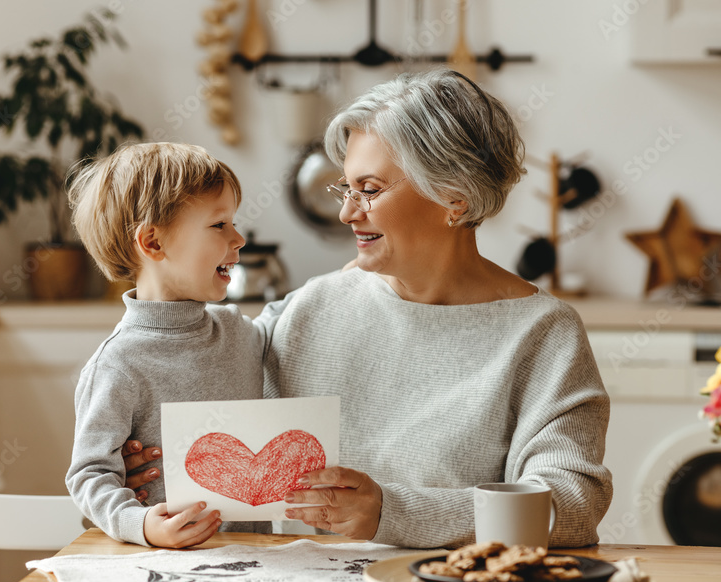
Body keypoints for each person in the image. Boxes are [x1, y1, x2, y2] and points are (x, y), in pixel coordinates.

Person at [125, 69, 612, 549]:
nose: (346, 212)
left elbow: (571, 506)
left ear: (454, 198)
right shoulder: (314, 306)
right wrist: (148, 461)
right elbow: (209, 399)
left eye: (371, 190)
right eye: (346, 189)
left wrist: (392, 512)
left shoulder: (543, 334)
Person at [65, 142, 273, 549]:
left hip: (257, 564)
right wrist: (141, 524)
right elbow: (89, 475)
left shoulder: (238, 332)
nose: (239, 238)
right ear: (153, 243)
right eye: (219, 225)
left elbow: (296, 315)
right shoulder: (117, 363)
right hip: (160, 571)